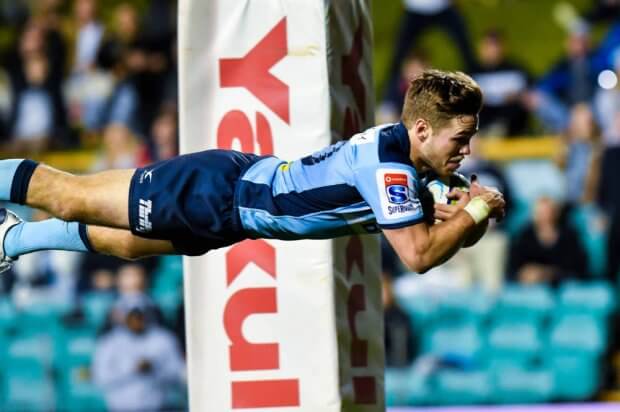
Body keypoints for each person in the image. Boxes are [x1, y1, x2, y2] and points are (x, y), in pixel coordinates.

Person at [0, 70, 505, 275]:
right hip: (217, 190)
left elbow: (444, 231)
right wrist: (477, 208)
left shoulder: (407, 161)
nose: (467, 149)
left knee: (128, 243)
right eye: (460, 139)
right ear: (421, 129)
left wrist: (462, 210)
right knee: (66, 195)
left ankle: (12, 239)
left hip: (232, 214)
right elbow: (418, 255)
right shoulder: (391, 171)